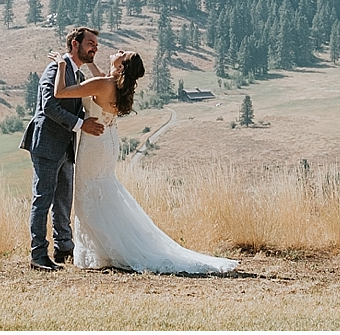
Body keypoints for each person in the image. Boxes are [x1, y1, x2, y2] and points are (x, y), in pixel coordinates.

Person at [48, 47, 239, 275]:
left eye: (122, 53)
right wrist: (93, 63)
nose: (118, 50)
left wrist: (60, 64)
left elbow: (60, 92)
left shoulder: (102, 84)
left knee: (88, 193)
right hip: (108, 141)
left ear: (121, 67)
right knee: (103, 190)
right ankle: (105, 248)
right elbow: (102, 78)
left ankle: (106, 250)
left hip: (94, 144)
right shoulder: (114, 85)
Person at [20, 27, 105, 271]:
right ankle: (38, 255)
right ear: (75, 44)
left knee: (63, 199)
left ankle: (64, 247)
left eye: (96, 44)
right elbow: (48, 106)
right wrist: (81, 125)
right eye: (90, 43)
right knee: (43, 199)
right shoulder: (55, 69)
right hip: (46, 144)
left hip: (66, 147)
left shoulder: (76, 74)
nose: (95, 48)